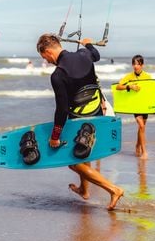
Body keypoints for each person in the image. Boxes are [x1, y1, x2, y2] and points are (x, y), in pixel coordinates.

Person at [36, 33, 124, 210]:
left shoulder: (58, 75)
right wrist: (88, 44)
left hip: (80, 122)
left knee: (72, 161)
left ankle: (113, 189)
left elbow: (61, 110)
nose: (46, 60)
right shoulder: (84, 55)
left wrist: (55, 136)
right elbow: (96, 55)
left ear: (47, 51)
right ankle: (84, 190)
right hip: (98, 115)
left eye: (43, 56)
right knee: (84, 154)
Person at [115, 55, 151, 159]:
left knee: (142, 127)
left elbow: (151, 92)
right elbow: (118, 86)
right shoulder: (129, 77)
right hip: (135, 106)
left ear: (142, 65)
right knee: (142, 126)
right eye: (134, 64)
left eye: (138, 64)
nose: (136, 66)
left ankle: (137, 145)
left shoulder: (148, 77)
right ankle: (144, 152)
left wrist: (153, 108)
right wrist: (129, 86)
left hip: (144, 105)